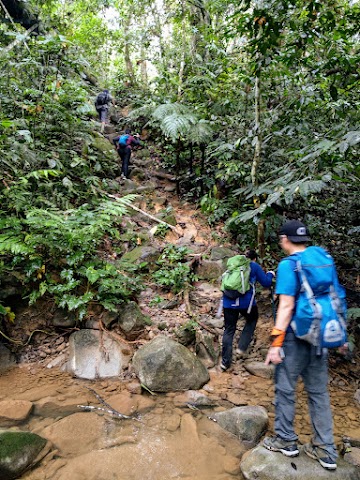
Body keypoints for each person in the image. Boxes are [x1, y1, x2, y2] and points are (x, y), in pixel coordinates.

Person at [263, 219, 340, 470]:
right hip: (320, 335)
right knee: (318, 393)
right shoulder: (323, 259)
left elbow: (286, 306)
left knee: (285, 388)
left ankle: (286, 440)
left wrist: (276, 342)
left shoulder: (289, 266)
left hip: (296, 336)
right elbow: (335, 297)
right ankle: (326, 450)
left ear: (285, 239)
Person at [220, 250, 275, 371]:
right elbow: (266, 282)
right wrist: (271, 274)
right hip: (246, 303)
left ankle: (225, 363)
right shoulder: (254, 266)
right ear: (254, 259)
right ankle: (241, 347)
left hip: (228, 302)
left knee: (229, 329)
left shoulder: (233, 264)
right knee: (252, 320)